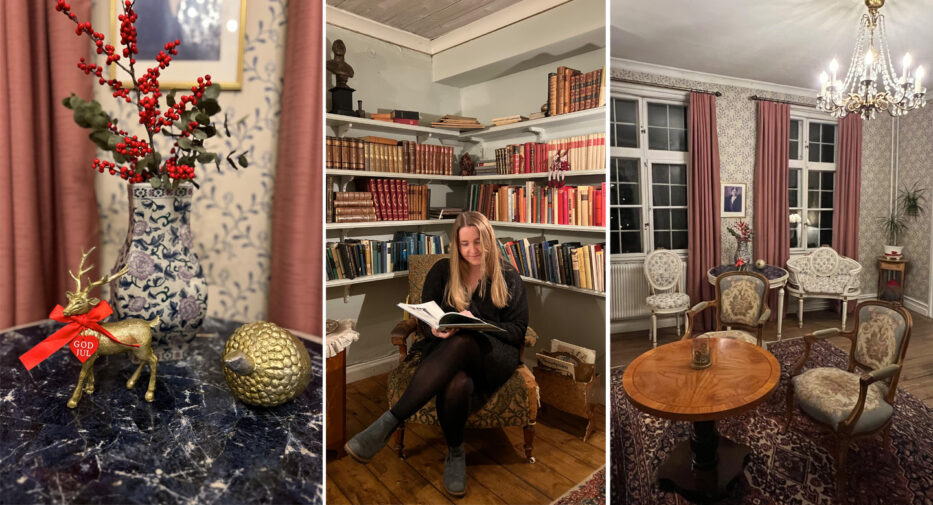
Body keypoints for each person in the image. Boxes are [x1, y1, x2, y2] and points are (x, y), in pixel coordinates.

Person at [344, 211, 528, 497]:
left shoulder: (507, 276)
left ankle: (389, 421)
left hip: (493, 357)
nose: (472, 250)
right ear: (456, 245)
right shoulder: (442, 271)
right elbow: (426, 320)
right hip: (447, 353)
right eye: (464, 244)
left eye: (478, 241)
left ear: (489, 239)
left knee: (465, 340)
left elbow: (518, 330)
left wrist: (481, 326)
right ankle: (456, 453)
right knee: (457, 383)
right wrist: (436, 331)